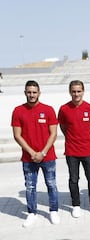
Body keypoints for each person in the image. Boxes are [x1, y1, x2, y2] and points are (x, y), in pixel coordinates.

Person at [11, 80, 60, 227]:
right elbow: (17, 135)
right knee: (30, 186)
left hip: (48, 156)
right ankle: (32, 213)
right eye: (29, 92)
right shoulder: (18, 111)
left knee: (51, 184)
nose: (32, 95)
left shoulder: (49, 109)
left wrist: (43, 152)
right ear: (25, 92)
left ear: (39, 93)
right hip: (28, 157)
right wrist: (32, 153)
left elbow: (53, 134)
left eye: (34, 92)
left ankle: (54, 211)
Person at [58, 80, 90, 218]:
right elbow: (63, 127)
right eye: (74, 91)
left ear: (83, 91)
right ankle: (76, 205)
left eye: (79, 91)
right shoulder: (64, 109)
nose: (76, 94)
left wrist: (85, 137)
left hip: (87, 150)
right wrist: (72, 138)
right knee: (74, 179)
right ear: (70, 92)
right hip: (71, 151)